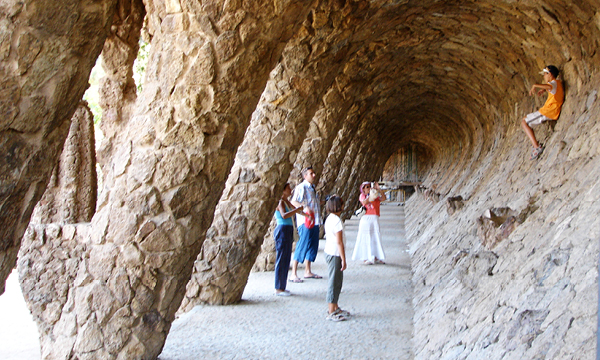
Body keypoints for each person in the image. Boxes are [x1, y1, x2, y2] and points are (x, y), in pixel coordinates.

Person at [521, 65, 564, 160]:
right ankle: (535, 145)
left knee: (524, 123)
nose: (544, 76)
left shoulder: (553, 84)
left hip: (548, 112)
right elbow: (551, 87)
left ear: (550, 74)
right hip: (546, 110)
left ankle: (536, 147)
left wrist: (535, 85)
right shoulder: (556, 83)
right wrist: (544, 90)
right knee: (524, 119)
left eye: (545, 74)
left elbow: (550, 86)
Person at [290, 166, 323, 281]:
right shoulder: (301, 187)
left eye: (314, 173)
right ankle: (293, 273)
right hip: (305, 222)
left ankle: (308, 271)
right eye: (311, 173)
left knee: (312, 245)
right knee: (302, 244)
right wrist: (305, 208)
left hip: (315, 220)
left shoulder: (312, 188)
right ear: (305, 176)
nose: (314, 175)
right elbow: (294, 201)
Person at [273, 183, 305, 296]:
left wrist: (306, 215)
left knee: (286, 259)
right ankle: (278, 288)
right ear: (283, 191)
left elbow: (295, 209)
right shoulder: (281, 202)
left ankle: (282, 286)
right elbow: (284, 215)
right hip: (282, 230)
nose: (290, 190)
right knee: (281, 259)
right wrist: (297, 211)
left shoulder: (286, 201)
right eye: (288, 188)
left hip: (288, 230)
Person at [323, 195, 350, 321]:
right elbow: (339, 242)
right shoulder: (337, 221)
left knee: (337, 281)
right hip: (335, 254)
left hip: (329, 252)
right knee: (334, 283)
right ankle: (330, 311)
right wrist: (343, 259)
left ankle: (335, 307)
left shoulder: (330, 218)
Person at [352, 181, 387, 265]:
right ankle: (366, 257)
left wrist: (379, 190)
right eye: (367, 187)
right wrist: (371, 196)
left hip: (374, 217)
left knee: (375, 236)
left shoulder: (375, 195)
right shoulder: (362, 196)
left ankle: (377, 256)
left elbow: (384, 198)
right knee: (365, 237)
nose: (369, 188)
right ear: (363, 189)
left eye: (369, 186)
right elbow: (364, 202)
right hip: (366, 218)